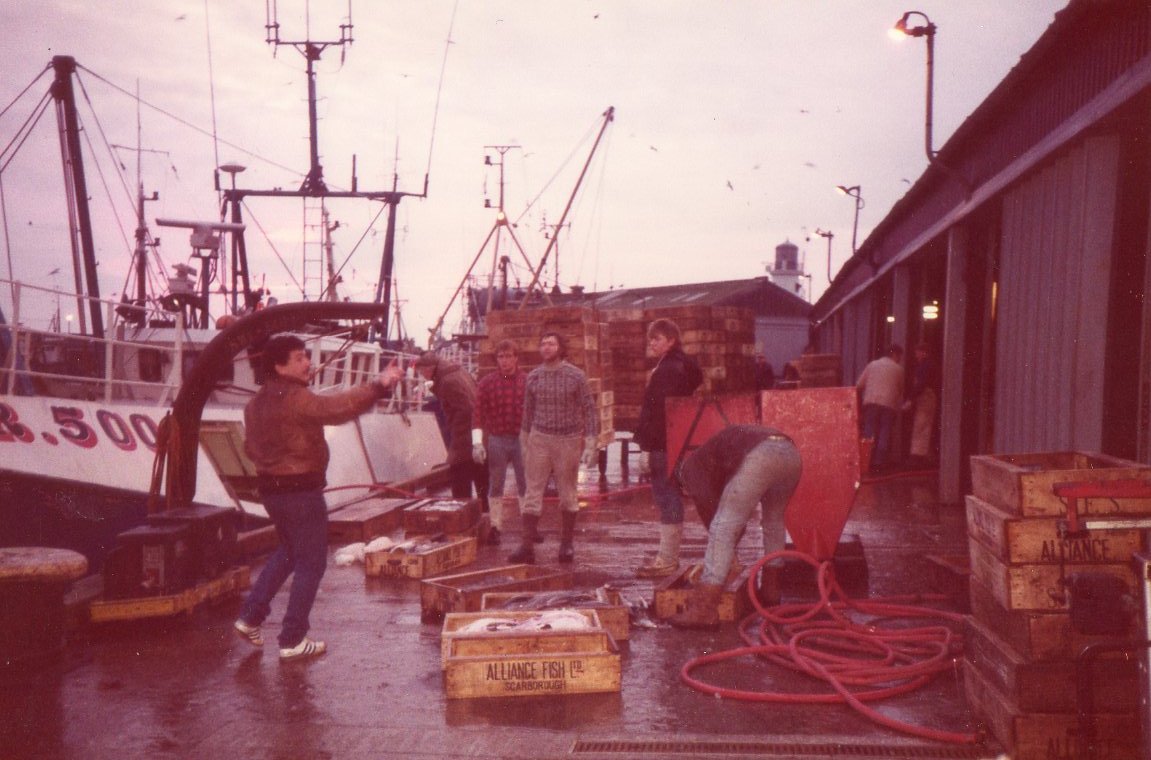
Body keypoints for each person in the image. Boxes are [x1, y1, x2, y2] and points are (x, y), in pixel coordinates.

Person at [235, 334, 403, 661]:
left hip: (271, 491)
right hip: (301, 492)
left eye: (305, 356)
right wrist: (380, 385)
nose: (307, 362)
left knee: (288, 552)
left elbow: (250, 449)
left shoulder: (253, 405)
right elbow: (338, 408)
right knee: (311, 562)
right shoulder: (297, 398)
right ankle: (293, 639)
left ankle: (250, 617)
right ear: (278, 365)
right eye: (299, 358)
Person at [668, 424, 802, 630]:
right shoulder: (710, 457)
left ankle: (704, 609)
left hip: (761, 456)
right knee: (773, 520)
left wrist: (727, 550)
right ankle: (771, 591)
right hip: (790, 453)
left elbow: (715, 518)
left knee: (722, 527)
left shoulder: (688, 470)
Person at [508, 331, 599, 565]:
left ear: (560, 347)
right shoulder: (534, 377)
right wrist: (524, 440)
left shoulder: (576, 376)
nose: (547, 347)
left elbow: (589, 409)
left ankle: (566, 544)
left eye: (551, 343)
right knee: (532, 492)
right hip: (539, 439)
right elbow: (527, 411)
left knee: (568, 493)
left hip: (568, 441)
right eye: (543, 343)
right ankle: (526, 546)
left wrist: (591, 443)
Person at [632, 318, 702, 578]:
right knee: (679, 497)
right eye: (650, 338)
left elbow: (658, 413)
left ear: (671, 340)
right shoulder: (684, 366)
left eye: (657, 338)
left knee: (666, 497)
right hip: (679, 441)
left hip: (662, 445)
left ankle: (667, 559)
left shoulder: (666, 370)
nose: (652, 343)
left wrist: (647, 447)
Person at [415, 351, 489, 513]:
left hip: (465, 438)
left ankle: (465, 519)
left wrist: (454, 436)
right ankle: (485, 519)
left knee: (460, 480)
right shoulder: (458, 371)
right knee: (482, 481)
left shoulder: (447, 381)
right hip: (479, 434)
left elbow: (465, 410)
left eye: (421, 372)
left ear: (429, 368)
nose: (422, 376)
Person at [471, 339, 528, 546]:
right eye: (501, 357)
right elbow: (477, 414)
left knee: (526, 483)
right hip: (497, 440)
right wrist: (477, 443)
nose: (505, 361)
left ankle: (528, 527)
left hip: (522, 440)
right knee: (496, 484)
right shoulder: (486, 383)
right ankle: (495, 526)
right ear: (497, 359)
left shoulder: (527, 381)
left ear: (516, 357)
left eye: (509, 356)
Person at [856, 344, 904, 473]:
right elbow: (900, 391)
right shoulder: (899, 369)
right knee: (884, 432)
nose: (900, 359)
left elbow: (859, 385)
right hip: (888, 404)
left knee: (869, 432)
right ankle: (879, 462)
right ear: (895, 354)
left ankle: (866, 461)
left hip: (871, 402)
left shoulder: (872, 365)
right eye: (900, 356)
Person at [904, 342, 939, 469]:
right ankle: (923, 455)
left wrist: (910, 400)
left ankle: (917, 457)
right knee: (925, 425)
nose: (916, 355)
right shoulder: (929, 365)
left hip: (925, 396)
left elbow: (920, 384)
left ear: (923, 352)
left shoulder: (924, 366)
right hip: (928, 396)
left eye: (917, 352)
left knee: (921, 425)